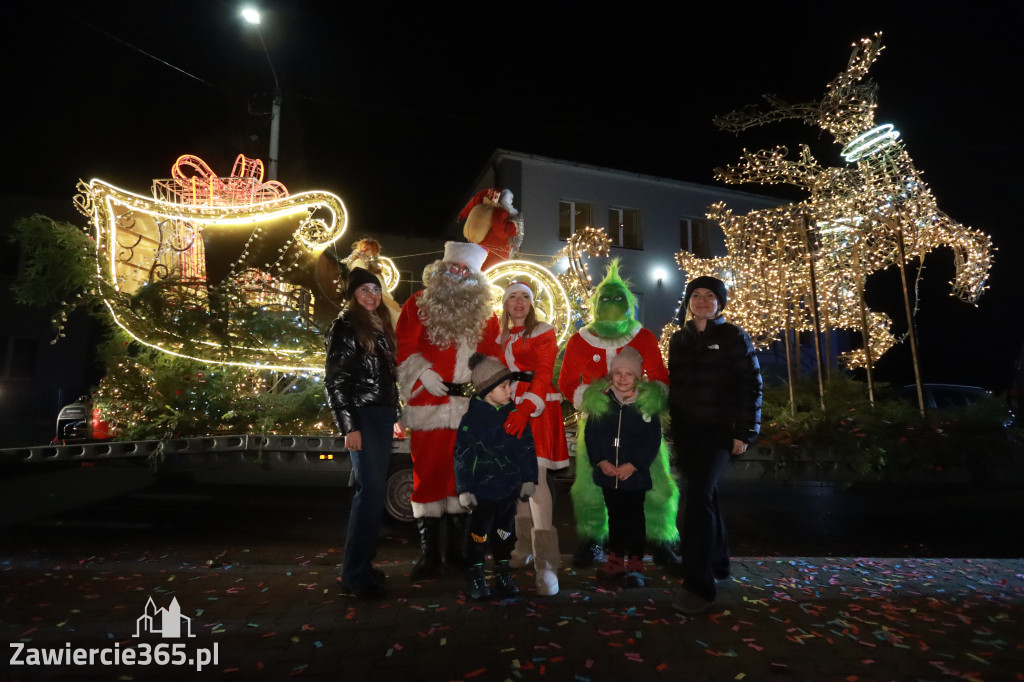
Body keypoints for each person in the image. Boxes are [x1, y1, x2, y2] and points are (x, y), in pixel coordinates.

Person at [557, 260, 682, 573]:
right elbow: (567, 381)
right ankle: (594, 539)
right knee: (590, 487)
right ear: (595, 304)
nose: (612, 303)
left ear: (629, 303)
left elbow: (659, 377)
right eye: (606, 298)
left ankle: (661, 540)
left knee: (656, 485)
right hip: (599, 423)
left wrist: (648, 398)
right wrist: (592, 398)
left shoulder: (644, 337)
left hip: (638, 421)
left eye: (618, 298)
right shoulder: (579, 340)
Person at [396, 241, 502, 581]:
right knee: (427, 475)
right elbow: (404, 345)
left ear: (476, 278)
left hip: (468, 409)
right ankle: (430, 555)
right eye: (453, 267)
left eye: (465, 270)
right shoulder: (418, 304)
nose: (458, 274)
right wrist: (422, 373)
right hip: (428, 405)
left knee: (462, 477)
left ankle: (457, 552)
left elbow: (491, 360)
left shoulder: (487, 316)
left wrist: (486, 394)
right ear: (441, 269)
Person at [668, 276, 762, 615]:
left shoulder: (733, 336)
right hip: (688, 433)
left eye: (710, 295)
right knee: (707, 496)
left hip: (719, 432)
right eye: (696, 295)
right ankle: (719, 563)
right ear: (688, 302)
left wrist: (745, 432)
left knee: (697, 499)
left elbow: (751, 384)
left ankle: (698, 584)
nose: (703, 300)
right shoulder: (679, 339)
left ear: (720, 303)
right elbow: (676, 386)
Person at [324, 267, 401, 600]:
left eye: (375, 289)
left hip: (381, 417)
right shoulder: (345, 327)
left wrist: (395, 414)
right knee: (369, 496)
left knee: (373, 495)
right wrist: (349, 427)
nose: (371, 295)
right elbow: (335, 381)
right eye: (364, 289)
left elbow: (387, 377)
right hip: (362, 417)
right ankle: (354, 576)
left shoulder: (379, 326)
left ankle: (364, 568)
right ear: (353, 294)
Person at [497, 282, 569, 596]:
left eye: (525, 296)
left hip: (537, 408)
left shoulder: (543, 331)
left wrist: (527, 407)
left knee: (535, 479)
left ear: (532, 302)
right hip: (508, 405)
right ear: (504, 303)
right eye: (512, 296)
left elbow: (543, 371)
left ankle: (547, 563)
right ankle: (524, 546)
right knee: (517, 480)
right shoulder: (500, 336)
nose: (519, 301)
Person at [455, 353, 539, 600]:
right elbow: (462, 455)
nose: (510, 390)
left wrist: (528, 478)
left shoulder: (514, 415)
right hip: (481, 492)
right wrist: (464, 488)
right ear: (487, 390)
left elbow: (526, 447)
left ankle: (503, 571)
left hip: (508, 490)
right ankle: (476, 574)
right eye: (503, 387)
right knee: (478, 534)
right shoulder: (472, 420)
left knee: (505, 533)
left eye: (509, 385)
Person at [581, 347, 665, 588]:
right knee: (615, 517)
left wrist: (635, 465)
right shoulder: (601, 401)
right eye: (618, 373)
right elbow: (591, 435)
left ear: (637, 377)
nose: (623, 378)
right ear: (611, 375)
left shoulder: (645, 404)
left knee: (635, 518)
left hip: (634, 475)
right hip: (609, 473)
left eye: (629, 374)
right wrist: (601, 461)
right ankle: (616, 560)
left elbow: (652, 440)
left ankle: (636, 562)